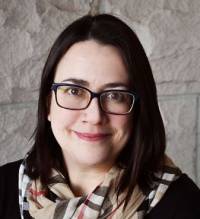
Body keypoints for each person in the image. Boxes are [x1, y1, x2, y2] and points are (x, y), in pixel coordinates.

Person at [0, 13, 199, 219]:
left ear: (138, 108)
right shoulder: (4, 189)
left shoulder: (185, 207)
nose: (95, 116)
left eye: (115, 95)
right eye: (75, 91)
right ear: (48, 104)